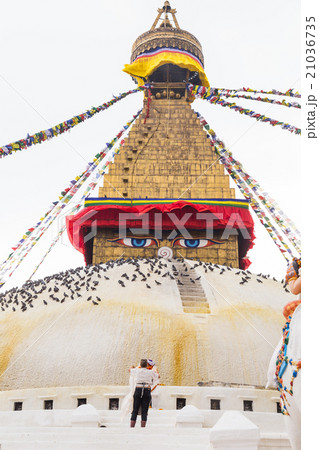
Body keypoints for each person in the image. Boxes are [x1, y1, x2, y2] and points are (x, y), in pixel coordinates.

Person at [130, 358, 158, 428]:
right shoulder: (150, 372)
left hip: (138, 388)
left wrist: (135, 367)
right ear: (147, 365)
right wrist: (154, 369)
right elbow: (157, 376)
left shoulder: (136, 371)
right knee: (144, 410)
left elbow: (129, 370)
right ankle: (143, 427)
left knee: (135, 409)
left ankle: (132, 427)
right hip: (146, 389)